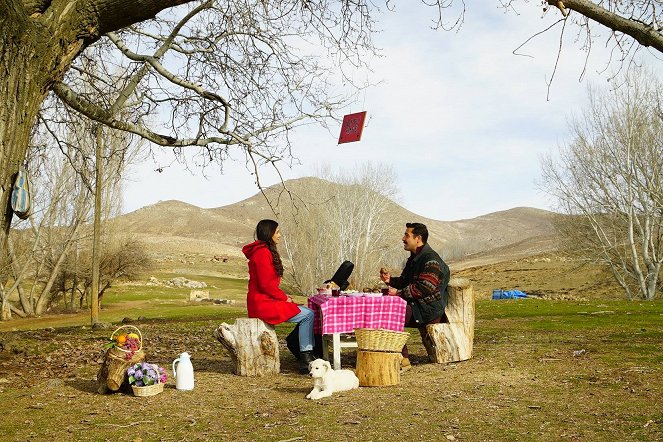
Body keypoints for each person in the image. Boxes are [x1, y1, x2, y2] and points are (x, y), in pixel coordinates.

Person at [242, 219, 316, 374]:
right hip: (262, 304)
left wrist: (283, 297)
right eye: (277, 232)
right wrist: (284, 298)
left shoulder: (263, 251)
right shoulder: (262, 253)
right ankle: (305, 358)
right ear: (269, 233)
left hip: (264, 300)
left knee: (304, 312)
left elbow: (268, 284)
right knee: (308, 314)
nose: (280, 235)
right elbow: (266, 285)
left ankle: (302, 352)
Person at [380, 222, 450, 369]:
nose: (403, 238)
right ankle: (396, 355)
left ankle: (403, 359)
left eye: (407, 235)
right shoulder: (414, 258)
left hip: (427, 308)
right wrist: (390, 281)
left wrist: (398, 293)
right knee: (386, 310)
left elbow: (424, 288)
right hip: (417, 304)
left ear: (418, 238)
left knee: (391, 313)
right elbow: (406, 281)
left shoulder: (430, 259)